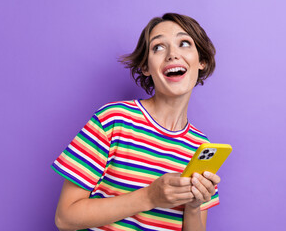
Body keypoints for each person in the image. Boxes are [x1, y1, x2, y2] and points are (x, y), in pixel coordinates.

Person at [52, 13, 221, 231]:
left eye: (184, 43)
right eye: (158, 47)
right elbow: (65, 218)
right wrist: (149, 196)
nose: (172, 54)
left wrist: (194, 207)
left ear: (202, 62)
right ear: (145, 67)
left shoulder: (202, 147)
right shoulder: (113, 120)